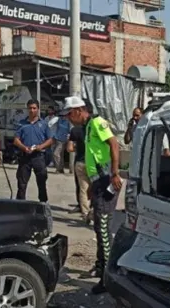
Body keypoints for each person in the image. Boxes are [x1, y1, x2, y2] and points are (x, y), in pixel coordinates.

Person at [63, 96, 122, 294]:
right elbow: (92, 156)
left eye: (69, 114)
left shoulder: (98, 122)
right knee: (98, 227)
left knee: (103, 228)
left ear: (79, 110)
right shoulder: (87, 127)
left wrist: (114, 173)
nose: (69, 119)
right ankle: (101, 267)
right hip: (99, 182)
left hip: (107, 181)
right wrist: (91, 185)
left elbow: (114, 145)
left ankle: (108, 275)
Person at [13, 99, 53, 202]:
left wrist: (41, 146)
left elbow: (50, 140)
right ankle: (20, 206)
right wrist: (24, 147)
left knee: (41, 183)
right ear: (27, 109)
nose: (32, 110)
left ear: (38, 109)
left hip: (38, 157)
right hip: (25, 157)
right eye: (30, 108)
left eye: (34, 108)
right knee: (21, 184)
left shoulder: (43, 124)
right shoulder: (21, 124)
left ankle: (43, 205)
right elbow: (16, 140)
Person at [67, 110, 90, 224]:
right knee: (96, 189)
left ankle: (85, 214)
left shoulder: (74, 131)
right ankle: (95, 212)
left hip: (80, 162)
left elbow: (69, 148)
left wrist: (78, 148)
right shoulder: (94, 129)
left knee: (83, 190)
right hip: (94, 163)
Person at [50, 107, 71, 174]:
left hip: (64, 140)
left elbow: (70, 131)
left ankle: (59, 168)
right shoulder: (59, 120)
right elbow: (52, 125)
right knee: (60, 155)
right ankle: (61, 169)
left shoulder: (69, 122)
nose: (62, 117)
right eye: (61, 115)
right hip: (57, 138)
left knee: (56, 154)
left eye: (63, 115)